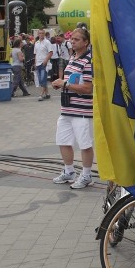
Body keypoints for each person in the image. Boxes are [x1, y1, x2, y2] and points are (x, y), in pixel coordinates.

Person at [50, 27, 94, 190]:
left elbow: (88, 88)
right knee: (63, 140)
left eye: (76, 39)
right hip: (67, 108)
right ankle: (69, 171)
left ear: (86, 42)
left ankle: (87, 174)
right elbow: (72, 82)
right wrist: (61, 85)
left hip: (82, 111)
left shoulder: (88, 61)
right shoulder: (73, 57)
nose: (72, 41)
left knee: (85, 144)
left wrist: (66, 84)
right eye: (72, 39)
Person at [33, 29, 54, 101]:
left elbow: (50, 52)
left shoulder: (47, 42)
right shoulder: (36, 43)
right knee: (41, 79)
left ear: (44, 34)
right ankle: (47, 93)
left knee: (43, 79)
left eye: (42, 33)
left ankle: (41, 95)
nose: (41, 34)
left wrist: (45, 60)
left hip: (44, 63)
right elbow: (35, 54)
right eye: (40, 33)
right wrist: (35, 63)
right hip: (38, 63)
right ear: (38, 34)